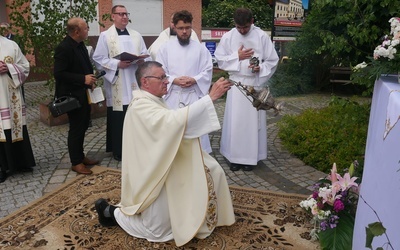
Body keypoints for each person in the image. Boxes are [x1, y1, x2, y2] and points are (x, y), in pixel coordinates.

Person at [94, 61, 235, 247]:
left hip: (163, 159)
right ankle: (111, 213)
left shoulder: (154, 100)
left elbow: (172, 126)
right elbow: (171, 121)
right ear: (145, 82)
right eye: (161, 78)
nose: (167, 81)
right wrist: (210, 97)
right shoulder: (140, 106)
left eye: (165, 77)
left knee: (213, 168)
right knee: (158, 231)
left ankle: (195, 215)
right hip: (152, 172)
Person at [214, 8, 279, 172]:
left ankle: (250, 158)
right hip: (236, 85)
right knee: (235, 123)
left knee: (251, 125)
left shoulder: (261, 36)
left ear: (252, 21)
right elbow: (219, 60)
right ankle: (234, 158)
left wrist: (260, 69)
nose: (242, 31)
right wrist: (237, 56)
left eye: (245, 27)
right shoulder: (228, 36)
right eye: (239, 27)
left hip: (254, 84)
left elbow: (272, 60)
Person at [93, 5, 149, 161]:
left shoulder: (136, 35)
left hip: (134, 79)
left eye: (126, 14)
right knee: (119, 117)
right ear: (113, 16)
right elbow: (98, 59)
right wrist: (117, 64)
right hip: (118, 81)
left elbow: (145, 53)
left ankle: (138, 147)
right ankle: (119, 150)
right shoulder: (105, 36)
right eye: (120, 14)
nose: (124, 17)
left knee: (136, 114)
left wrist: (140, 60)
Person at [156, 10, 214, 153]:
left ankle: (199, 160)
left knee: (196, 134)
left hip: (193, 96)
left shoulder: (200, 49)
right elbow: (159, 71)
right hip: (173, 97)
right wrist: (173, 80)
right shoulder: (164, 48)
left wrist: (194, 79)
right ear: (174, 27)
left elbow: (207, 70)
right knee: (172, 135)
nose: (184, 32)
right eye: (181, 28)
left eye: (187, 28)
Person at [53, 17, 99, 175]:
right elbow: (58, 74)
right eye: (86, 28)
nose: (88, 31)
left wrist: (90, 80)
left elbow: (85, 66)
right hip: (72, 95)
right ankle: (76, 162)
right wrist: (82, 79)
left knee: (84, 125)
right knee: (76, 128)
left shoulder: (80, 46)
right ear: (76, 31)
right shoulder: (64, 48)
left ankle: (81, 156)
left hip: (83, 92)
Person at [0, 32, 36, 183]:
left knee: (15, 126)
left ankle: (21, 162)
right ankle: (2, 167)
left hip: (10, 96)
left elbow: (24, 67)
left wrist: (9, 68)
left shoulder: (11, 45)